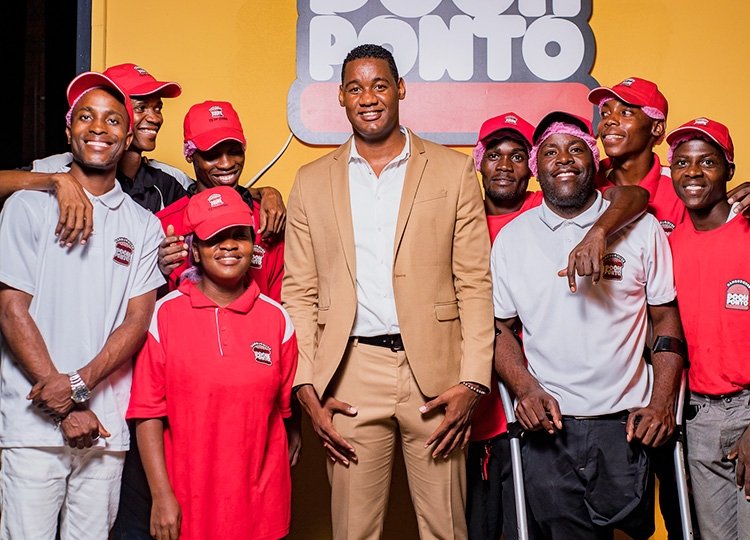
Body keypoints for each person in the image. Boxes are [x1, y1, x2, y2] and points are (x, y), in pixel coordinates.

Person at [283, 43, 495, 539]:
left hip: (438, 374)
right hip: (350, 373)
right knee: (353, 530)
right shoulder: (311, 181)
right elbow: (299, 292)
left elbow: (474, 282)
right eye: (355, 88)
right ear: (340, 97)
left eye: (379, 85)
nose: (368, 98)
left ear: (400, 89)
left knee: (446, 529)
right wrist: (306, 387)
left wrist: (473, 381)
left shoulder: (452, 170)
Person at [492, 111, 684, 539]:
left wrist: (662, 402)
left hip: (626, 424)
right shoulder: (512, 239)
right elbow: (498, 327)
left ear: (593, 161)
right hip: (551, 425)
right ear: (536, 167)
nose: (564, 159)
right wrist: (525, 388)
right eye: (551, 152)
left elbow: (665, 317)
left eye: (576, 149)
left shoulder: (642, 228)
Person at [0, 71, 164, 539]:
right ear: (69, 129)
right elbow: (12, 309)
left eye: (113, 120)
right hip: (32, 428)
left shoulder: (144, 224)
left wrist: (76, 387)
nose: (98, 128)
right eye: (86, 117)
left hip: (104, 430)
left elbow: (137, 320)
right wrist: (67, 407)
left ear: (127, 138)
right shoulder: (26, 206)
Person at [127, 186, 297, 540]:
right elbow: (147, 413)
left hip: (261, 507)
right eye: (215, 238)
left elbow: (283, 417)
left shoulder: (277, 319)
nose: (229, 246)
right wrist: (161, 497)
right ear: (195, 250)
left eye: (239, 235)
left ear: (253, 243)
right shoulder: (164, 316)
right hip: (188, 503)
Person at [0, 62, 286, 248]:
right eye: (141, 108)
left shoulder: (168, 179)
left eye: (157, 107)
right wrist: (56, 181)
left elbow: (211, 190)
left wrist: (266, 193)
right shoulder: (59, 167)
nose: (154, 117)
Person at [666, 117, 750, 539]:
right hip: (699, 414)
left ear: (729, 170)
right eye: (682, 162)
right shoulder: (670, 244)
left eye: (707, 162)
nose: (693, 173)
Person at [156, 100, 285, 302]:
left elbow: (283, 304)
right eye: (212, 154)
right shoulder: (163, 225)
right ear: (190, 154)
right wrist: (158, 273)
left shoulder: (268, 219)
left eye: (234, 151)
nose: (226, 164)